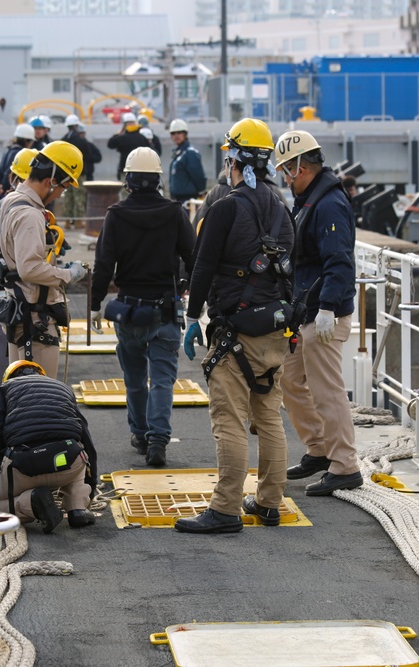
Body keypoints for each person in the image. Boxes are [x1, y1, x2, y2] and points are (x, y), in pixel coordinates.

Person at [176, 118, 295, 534]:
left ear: (235, 159)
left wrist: (193, 319)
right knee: (270, 418)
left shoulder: (225, 207)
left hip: (235, 333)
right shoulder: (282, 210)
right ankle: (268, 502)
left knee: (229, 421)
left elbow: (203, 265)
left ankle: (225, 509)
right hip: (275, 333)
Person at [89, 147, 195, 467]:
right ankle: (158, 440)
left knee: (135, 378)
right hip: (164, 310)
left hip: (129, 310)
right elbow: (194, 257)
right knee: (162, 379)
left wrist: (95, 304)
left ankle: (139, 432)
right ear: (158, 178)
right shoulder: (175, 212)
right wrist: (190, 290)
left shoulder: (116, 215)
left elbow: (104, 263)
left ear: (128, 179)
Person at [273, 129, 362, 496]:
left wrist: (327, 308)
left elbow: (339, 261)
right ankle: (319, 448)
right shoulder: (309, 199)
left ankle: (345, 466)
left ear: (299, 167)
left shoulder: (328, 205)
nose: (283, 177)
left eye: (285, 170)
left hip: (325, 315)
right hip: (306, 312)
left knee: (328, 391)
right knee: (290, 380)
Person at [0, 141, 88, 379]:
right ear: (51, 181)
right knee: (42, 399)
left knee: (20, 395)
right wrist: (69, 275)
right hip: (36, 322)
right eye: (63, 188)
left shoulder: (6, 204)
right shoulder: (30, 214)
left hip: (18, 313)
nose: (59, 194)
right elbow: (30, 268)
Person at [0, 360, 98, 532]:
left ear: (8, 378)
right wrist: (92, 486)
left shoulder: (5, 389)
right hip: (67, 463)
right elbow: (86, 437)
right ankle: (77, 507)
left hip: (24, 467)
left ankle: (31, 502)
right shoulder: (63, 388)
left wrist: (0, 463)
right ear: (41, 375)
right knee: (77, 450)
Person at [0, 147, 39, 400]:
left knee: (4, 368)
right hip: (8, 303)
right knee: (3, 370)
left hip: (7, 301)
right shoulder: (1, 213)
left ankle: (2, 426)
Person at [60, 114, 96, 227]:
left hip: (65, 172)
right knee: (79, 196)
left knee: (68, 196)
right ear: (76, 126)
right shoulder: (81, 141)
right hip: (79, 172)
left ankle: (67, 221)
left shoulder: (63, 140)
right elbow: (89, 156)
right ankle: (79, 221)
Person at [167, 119, 207, 205]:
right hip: (178, 201)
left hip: (188, 202)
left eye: (179, 132)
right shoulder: (178, 154)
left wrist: (201, 191)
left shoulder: (190, 153)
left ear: (185, 134)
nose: (176, 135)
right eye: (173, 133)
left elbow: (198, 175)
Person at [0, 123, 35, 199]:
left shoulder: (8, 150)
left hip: (3, 193)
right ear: (27, 141)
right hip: (10, 193)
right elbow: (9, 173)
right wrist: (3, 188)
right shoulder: (19, 153)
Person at [107, 112, 151, 181]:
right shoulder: (142, 138)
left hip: (126, 170)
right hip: (141, 172)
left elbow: (110, 144)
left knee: (126, 191)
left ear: (125, 125)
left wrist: (118, 134)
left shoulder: (121, 138)